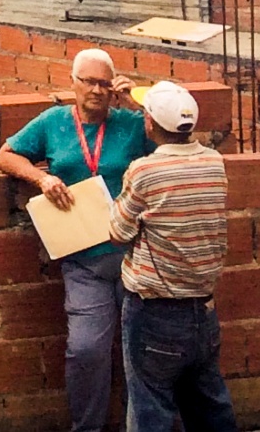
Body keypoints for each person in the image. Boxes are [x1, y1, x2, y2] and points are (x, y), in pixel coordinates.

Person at [0, 48, 152, 432]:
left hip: (134, 258)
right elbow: (5, 155)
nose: (96, 91)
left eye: (104, 83)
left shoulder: (131, 124)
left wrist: (133, 102)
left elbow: (169, 142)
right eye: (89, 82)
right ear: (73, 83)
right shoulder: (54, 122)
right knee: (86, 350)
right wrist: (42, 178)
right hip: (83, 260)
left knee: (142, 354)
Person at [109, 81, 236, 432]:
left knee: (151, 409)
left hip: (154, 313)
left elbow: (118, 232)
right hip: (203, 310)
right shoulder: (215, 162)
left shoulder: (144, 171)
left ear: (149, 123)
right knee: (209, 405)